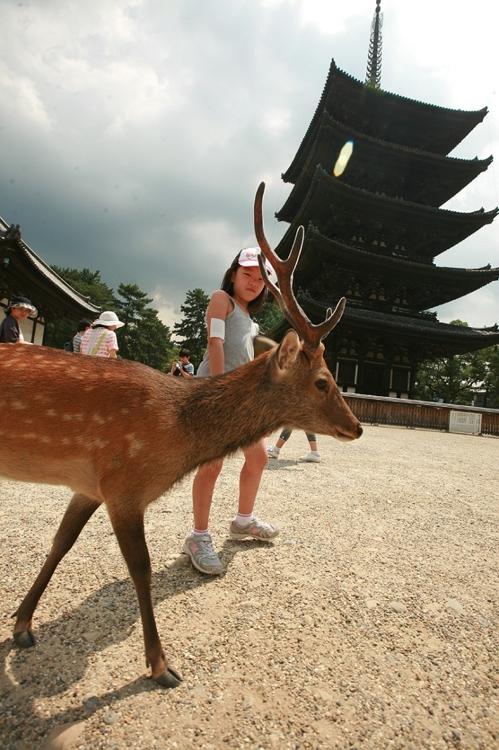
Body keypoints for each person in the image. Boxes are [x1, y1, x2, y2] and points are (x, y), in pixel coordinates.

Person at [183, 247, 279, 575]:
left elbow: (249, 362)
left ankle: (243, 520)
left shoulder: (251, 319)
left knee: (259, 457)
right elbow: (215, 343)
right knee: (211, 465)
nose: (253, 282)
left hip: (242, 399)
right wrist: (222, 390)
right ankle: (198, 537)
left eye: (260, 278)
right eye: (246, 274)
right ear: (233, 274)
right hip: (216, 393)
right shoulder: (221, 299)